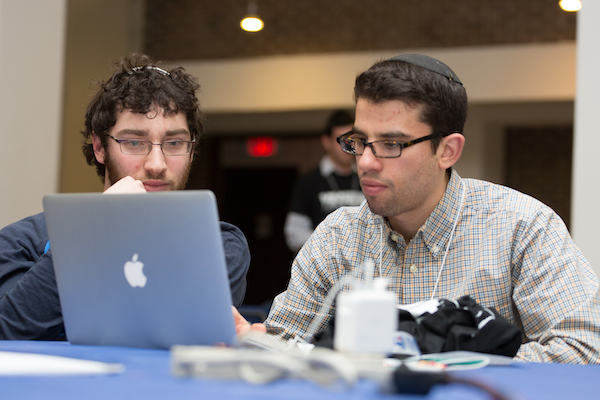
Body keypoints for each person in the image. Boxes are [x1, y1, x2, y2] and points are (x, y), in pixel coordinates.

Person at [253, 54, 600, 363]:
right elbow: (283, 343)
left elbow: (583, 348)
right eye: (359, 142)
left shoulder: (522, 227)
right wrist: (252, 343)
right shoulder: (337, 237)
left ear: (447, 150)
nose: (366, 163)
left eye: (391, 144)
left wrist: (439, 363)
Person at [0, 53, 250, 340]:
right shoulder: (19, 241)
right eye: (134, 142)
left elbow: (179, 338)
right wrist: (95, 227)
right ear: (99, 147)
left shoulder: (217, 244)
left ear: (191, 150)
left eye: (174, 143)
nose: (157, 163)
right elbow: (8, 333)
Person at [284, 110, 364, 252]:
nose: (347, 145)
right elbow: (294, 233)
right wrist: (331, 246)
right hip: (324, 266)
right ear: (326, 142)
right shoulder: (309, 181)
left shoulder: (366, 178)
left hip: (364, 268)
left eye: (351, 139)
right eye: (341, 140)